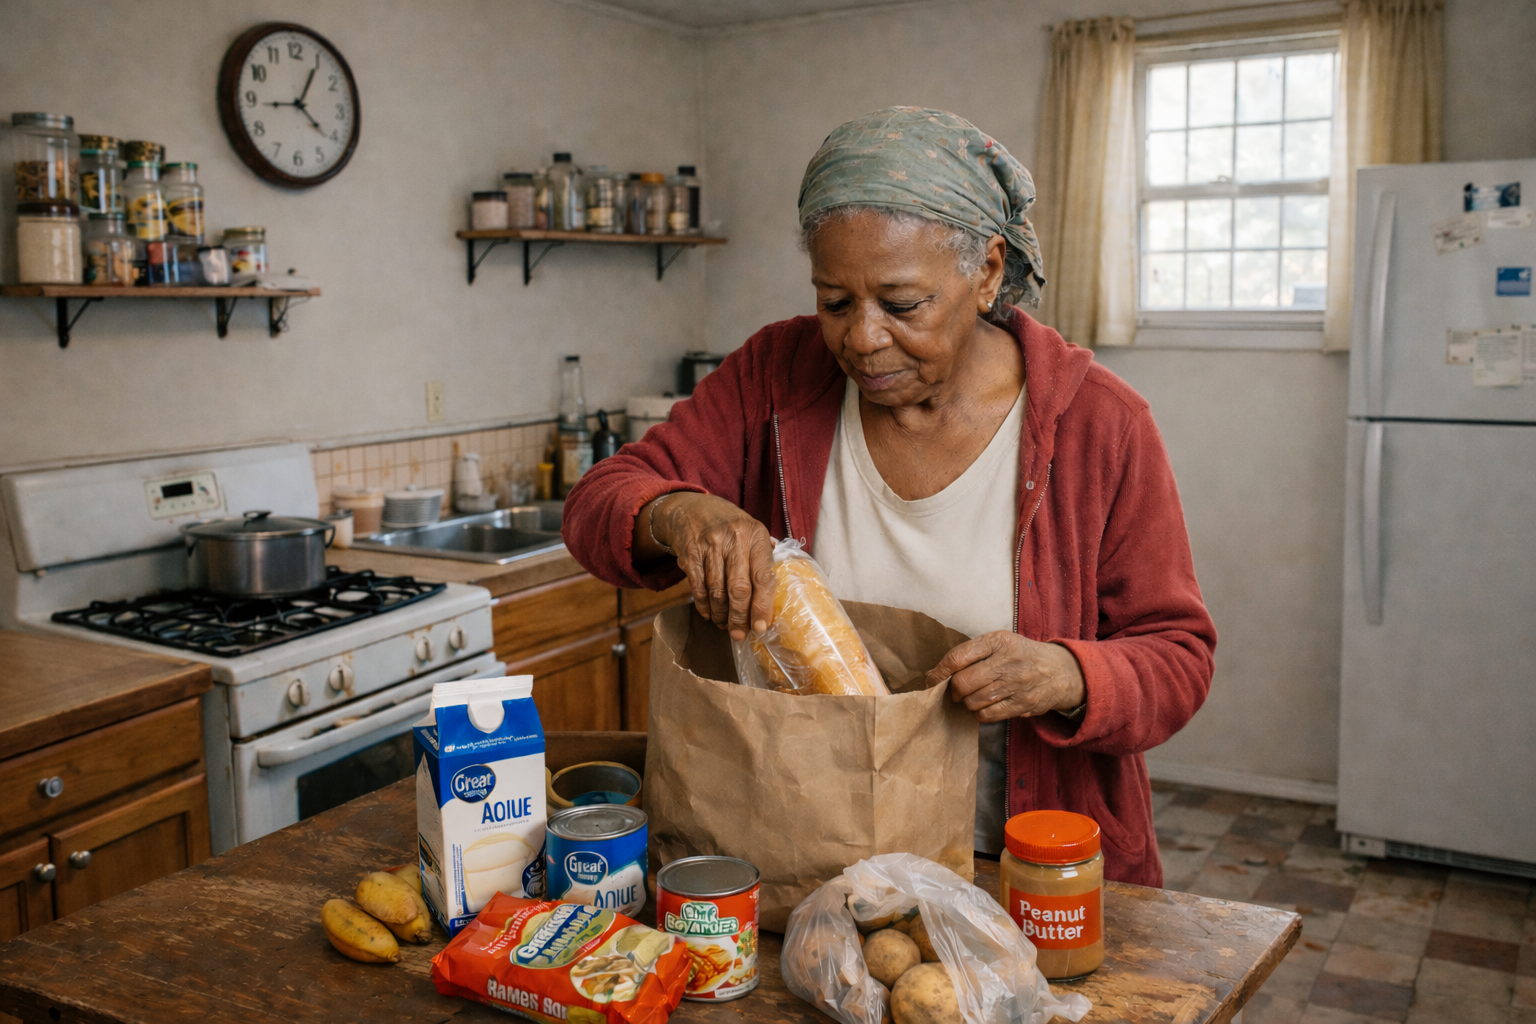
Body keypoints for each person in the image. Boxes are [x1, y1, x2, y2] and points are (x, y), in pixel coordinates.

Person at [562, 107, 1215, 887]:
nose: (862, 338)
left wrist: (1066, 674)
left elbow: (1178, 657)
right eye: (834, 302)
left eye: (902, 305)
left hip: (1020, 869)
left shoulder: (1100, 425)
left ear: (988, 272)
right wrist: (679, 512)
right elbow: (600, 502)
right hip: (810, 858)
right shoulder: (777, 374)